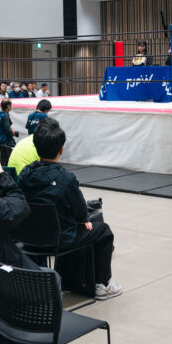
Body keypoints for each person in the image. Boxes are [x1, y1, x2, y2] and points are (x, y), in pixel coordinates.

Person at [19, 119, 121, 300]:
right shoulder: (66, 179)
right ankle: (101, 285)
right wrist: (84, 219)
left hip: (29, 238)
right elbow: (80, 211)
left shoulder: (25, 174)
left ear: (36, 147)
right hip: (59, 239)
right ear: (61, 149)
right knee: (103, 231)